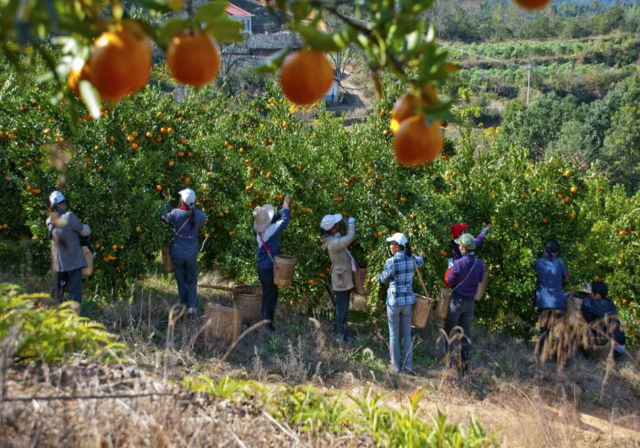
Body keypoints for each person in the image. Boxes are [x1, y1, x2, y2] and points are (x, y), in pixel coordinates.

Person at [380, 232, 426, 373]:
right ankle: (408, 366)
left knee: (394, 334)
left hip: (394, 302)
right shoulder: (411, 258)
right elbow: (421, 261)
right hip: (407, 302)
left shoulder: (391, 262)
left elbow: (383, 279)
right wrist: (423, 255)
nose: (390, 247)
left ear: (397, 247)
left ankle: (396, 367)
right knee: (407, 334)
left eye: (392, 244)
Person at [162, 188, 207, 322]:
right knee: (192, 281)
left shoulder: (176, 213)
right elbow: (201, 216)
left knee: (181, 282)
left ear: (182, 200)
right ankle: (192, 309)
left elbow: (164, 217)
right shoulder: (199, 216)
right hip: (191, 254)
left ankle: (183, 307)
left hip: (177, 253)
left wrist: (167, 202)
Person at [444, 233, 486, 370]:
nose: (459, 247)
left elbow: (449, 282)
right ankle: (465, 367)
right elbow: (480, 280)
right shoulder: (479, 263)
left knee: (448, 331)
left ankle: (449, 364)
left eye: (460, 245)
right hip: (470, 303)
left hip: (457, 301)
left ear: (464, 248)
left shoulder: (458, 263)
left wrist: (450, 267)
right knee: (465, 335)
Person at [47, 191, 91, 306]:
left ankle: (52, 319)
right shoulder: (69, 217)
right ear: (62, 203)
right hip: (73, 263)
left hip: (58, 265)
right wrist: (86, 226)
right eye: (64, 202)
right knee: (75, 295)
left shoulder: (49, 221)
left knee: (56, 294)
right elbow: (85, 231)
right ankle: (72, 320)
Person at [253, 194, 290, 331]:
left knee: (269, 294)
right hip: (268, 269)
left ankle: (265, 320)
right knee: (270, 296)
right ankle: (267, 325)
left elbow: (270, 219)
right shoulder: (270, 231)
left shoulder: (260, 230)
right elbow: (285, 222)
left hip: (262, 268)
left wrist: (279, 212)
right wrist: (286, 205)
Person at [320, 213, 356, 344]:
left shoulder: (334, 238)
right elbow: (350, 237)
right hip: (341, 280)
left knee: (344, 309)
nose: (338, 225)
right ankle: (338, 336)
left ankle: (345, 335)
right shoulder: (333, 243)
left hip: (343, 278)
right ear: (333, 228)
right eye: (337, 224)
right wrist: (351, 224)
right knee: (341, 310)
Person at [533, 239, 571, 356]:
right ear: (556, 252)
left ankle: (539, 355)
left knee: (543, 331)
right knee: (560, 331)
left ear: (544, 249)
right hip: (558, 302)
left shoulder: (537, 262)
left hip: (543, 302)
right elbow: (567, 277)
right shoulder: (560, 262)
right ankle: (561, 358)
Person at [580, 281, 626, 360]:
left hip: (613, 348)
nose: (590, 294)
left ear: (597, 295)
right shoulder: (609, 303)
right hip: (621, 346)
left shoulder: (596, 304)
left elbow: (583, 301)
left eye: (591, 292)